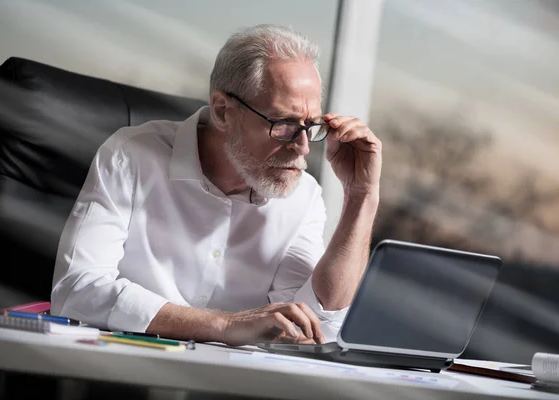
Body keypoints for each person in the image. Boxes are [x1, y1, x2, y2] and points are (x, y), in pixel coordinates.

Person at [50, 24, 382, 346]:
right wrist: (224, 325)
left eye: (310, 126)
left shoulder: (303, 196)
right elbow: (77, 289)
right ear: (223, 111)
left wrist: (360, 196)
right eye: (284, 124)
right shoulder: (131, 156)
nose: (303, 146)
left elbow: (318, 323)